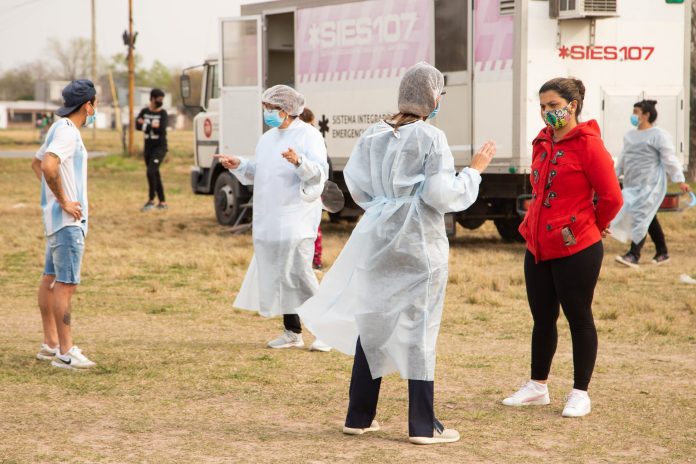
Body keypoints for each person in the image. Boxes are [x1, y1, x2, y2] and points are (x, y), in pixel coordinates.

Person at [297, 62, 496, 444]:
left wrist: (386, 204)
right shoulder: (431, 137)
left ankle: (359, 416)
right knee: (419, 327)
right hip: (418, 240)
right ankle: (422, 425)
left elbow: (356, 186)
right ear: (431, 97)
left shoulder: (372, 134)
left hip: (376, 236)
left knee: (372, 324)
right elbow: (441, 195)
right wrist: (473, 171)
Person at [504, 77, 623, 417]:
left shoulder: (589, 145)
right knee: (542, 318)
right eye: (543, 106)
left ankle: (579, 392)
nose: (547, 112)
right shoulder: (542, 142)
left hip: (578, 248)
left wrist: (592, 226)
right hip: (538, 244)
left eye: (553, 106)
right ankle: (537, 386)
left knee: (579, 317)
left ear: (572, 106)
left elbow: (612, 197)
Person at [215, 85, 331, 352]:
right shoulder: (267, 138)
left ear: (287, 110)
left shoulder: (309, 136)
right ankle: (292, 332)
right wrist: (240, 165)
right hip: (269, 218)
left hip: (296, 218)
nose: (267, 113)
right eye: (265, 108)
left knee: (300, 274)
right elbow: (260, 170)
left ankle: (325, 331)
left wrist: (299, 161)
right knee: (280, 276)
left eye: (271, 108)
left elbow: (318, 175)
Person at [30, 79, 98, 370]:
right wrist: (64, 200)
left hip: (55, 223)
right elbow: (47, 166)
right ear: (88, 105)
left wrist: (53, 197)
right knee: (65, 285)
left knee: (50, 279)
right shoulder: (69, 132)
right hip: (68, 223)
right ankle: (66, 352)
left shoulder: (57, 128)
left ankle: (51, 344)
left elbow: (37, 163)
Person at [611, 100, 691, 268]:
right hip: (632, 184)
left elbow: (669, 158)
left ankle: (634, 254)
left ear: (646, 115)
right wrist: (612, 177)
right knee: (648, 217)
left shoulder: (658, 135)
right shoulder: (629, 136)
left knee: (640, 217)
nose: (633, 115)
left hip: (651, 185)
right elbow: (623, 160)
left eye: (636, 111)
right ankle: (662, 252)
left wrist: (680, 180)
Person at [299, 107, 325, 269]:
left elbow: (322, 166)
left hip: (311, 191)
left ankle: (314, 259)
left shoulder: (312, 139)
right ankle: (314, 259)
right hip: (311, 190)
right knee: (313, 227)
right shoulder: (311, 138)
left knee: (312, 227)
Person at [136, 88, 168, 211]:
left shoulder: (163, 113)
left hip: (160, 148)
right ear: (152, 98)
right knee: (155, 173)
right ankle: (163, 202)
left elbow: (161, 129)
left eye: (162, 99)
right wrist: (151, 126)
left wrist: (145, 125)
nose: (161, 101)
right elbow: (137, 125)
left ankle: (151, 200)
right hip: (148, 148)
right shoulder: (144, 111)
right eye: (159, 99)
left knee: (150, 172)